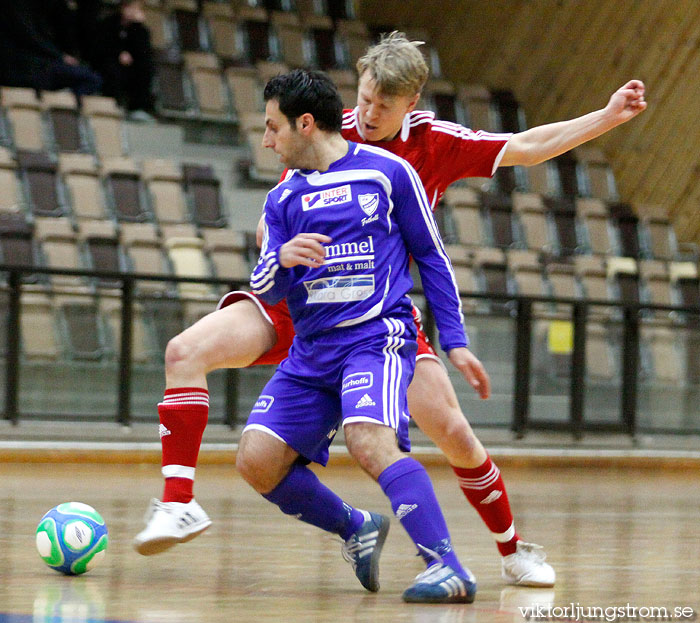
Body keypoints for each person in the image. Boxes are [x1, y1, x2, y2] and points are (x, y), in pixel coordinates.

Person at [133, 33, 646, 588]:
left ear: (413, 100)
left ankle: (511, 548)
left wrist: (607, 117)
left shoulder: (432, 144)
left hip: (374, 313)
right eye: (365, 97)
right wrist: (279, 248)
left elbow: (524, 146)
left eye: (384, 105)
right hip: (300, 302)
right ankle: (178, 502)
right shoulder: (326, 128)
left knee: (451, 430)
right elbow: (274, 218)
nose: (369, 113)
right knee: (185, 351)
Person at [247, 68, 476, 602]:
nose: (266, 140)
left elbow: (432, 256)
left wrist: (456, 338)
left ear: (305, 124)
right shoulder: (282, 200)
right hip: (311, 352)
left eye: (272, 127)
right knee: (256, 460)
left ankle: (447, 567)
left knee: (368, 439)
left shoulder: (388, 173)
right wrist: (280, 259)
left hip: (375, 337)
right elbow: (264, 284)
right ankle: (355, 527)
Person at [0, 0, 102, 97]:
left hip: (40, 62)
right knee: (90, 79)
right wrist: (60, 56)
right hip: (25, 65)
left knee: (90, 76)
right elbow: (30, 38)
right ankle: (60, 102)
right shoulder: (17, 6)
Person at [93, 0, 155, 121]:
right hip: (109, 60)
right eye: (131, 8)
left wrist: (137, 27)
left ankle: (138, 108)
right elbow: (101, 46)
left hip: (130, 65)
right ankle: (113, 104)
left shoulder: (139, 30)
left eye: (137, 9)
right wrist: (118, 54)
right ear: (123, 7)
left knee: (145, 68)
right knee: (111, 69)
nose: (133, 12)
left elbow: (143, 52)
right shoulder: (108, 24)